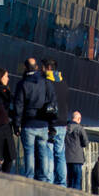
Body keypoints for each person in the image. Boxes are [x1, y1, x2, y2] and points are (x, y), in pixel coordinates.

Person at [13, 57, 55, 182]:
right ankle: (45, 178)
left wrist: (17, 124)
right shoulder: (45, 82)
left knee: (29, 153)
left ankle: (29, 178)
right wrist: (51, 124)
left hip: (28, 123)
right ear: (36, 67)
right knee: (43, 152)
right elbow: (52, 103)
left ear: (25, 68)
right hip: (43, 123)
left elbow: (18, 105)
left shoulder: (22, 84)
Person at [41, 56, 69, 186]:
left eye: (43, 67)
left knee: (49, 152)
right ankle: (62, 183)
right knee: (60, 155)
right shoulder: (63, 83)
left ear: (48, 68)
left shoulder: (46, 82)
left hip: (51, 123)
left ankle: (50, 181)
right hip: (63, 123)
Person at [0, 69, 17, 173]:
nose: (8, 78)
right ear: (0, 77)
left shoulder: (7, 92)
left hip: (6, 126)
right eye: (6, 76)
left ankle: (5, 175)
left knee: (9, 155)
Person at [64, 110, 89, 189]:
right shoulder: (80, 128)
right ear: (79, 119)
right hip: (77, 159)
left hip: (67, 158)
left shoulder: (65, 128)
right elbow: (85, 143)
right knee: (77, 180)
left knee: (69, 180)